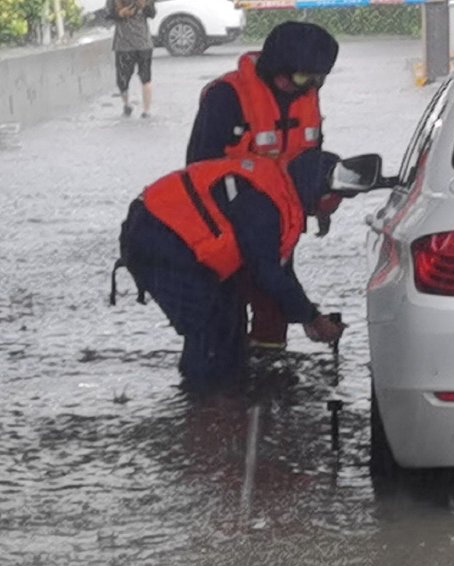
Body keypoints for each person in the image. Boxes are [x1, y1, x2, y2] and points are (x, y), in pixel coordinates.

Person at [117, 150, 346, 389]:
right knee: (209, 329)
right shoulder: (265, 204)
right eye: (333, 200)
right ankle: (203, 405)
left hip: (174, 236)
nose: (334, 208)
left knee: (230, 322)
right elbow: (267, 274)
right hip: (156, 235)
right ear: (316, 191)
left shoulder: (283, 192)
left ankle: (221, 399)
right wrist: (313, 318)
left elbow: (279, 270)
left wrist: (308, 315)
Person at [184, 20, 343, 353]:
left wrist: (319, 205)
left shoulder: (307, 95)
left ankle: (267, 377)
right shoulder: (227, 97)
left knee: (273, 307)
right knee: (222, 311)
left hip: (278, 221)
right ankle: (216, 385)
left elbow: (310, 156)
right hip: (225, 226)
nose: (308, 87)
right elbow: (197, 169)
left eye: (318, 80)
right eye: (302, 79)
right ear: (277, 70)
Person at [106, 0, 157, 117]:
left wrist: (145, 6)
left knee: (145, 77)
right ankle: (126, 104)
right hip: (123, 44)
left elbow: (152, 14)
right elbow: (108, 14)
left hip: (143, 43)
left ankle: (146, 110)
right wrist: (120, 14)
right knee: (123, 78)